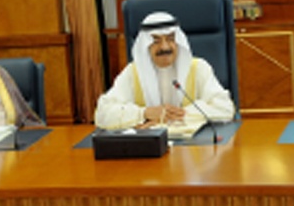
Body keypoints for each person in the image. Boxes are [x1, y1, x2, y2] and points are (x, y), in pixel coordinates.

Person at [95, 11, 235, 129]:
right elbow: (103, 114)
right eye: (156, 41)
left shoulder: (198, 68)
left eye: (170, 39)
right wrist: (144, 113)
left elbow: (225, 108)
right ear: (145, 45)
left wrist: (176, 116)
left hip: (193, 148)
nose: (164, 47)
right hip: (149, 148)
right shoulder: (133, 73)